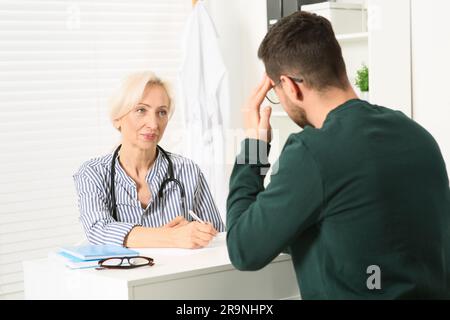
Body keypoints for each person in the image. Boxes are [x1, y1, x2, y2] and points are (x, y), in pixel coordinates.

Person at [226, 11, 450, 299]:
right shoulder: (418, 136)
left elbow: (244, 248)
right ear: (338, 65)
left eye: (275, 92)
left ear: (292, 87)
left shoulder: (312, 152)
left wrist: (253, 147)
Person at [74, 71, 225, 249]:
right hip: (123, 277)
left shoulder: (187, 170)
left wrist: (204, 233)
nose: (154, 124)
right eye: (141, 110)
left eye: (162, 112)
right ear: (117, 119)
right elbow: (98, 230)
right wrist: (172, 237)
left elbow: (219, 237)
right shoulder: (93, 173)